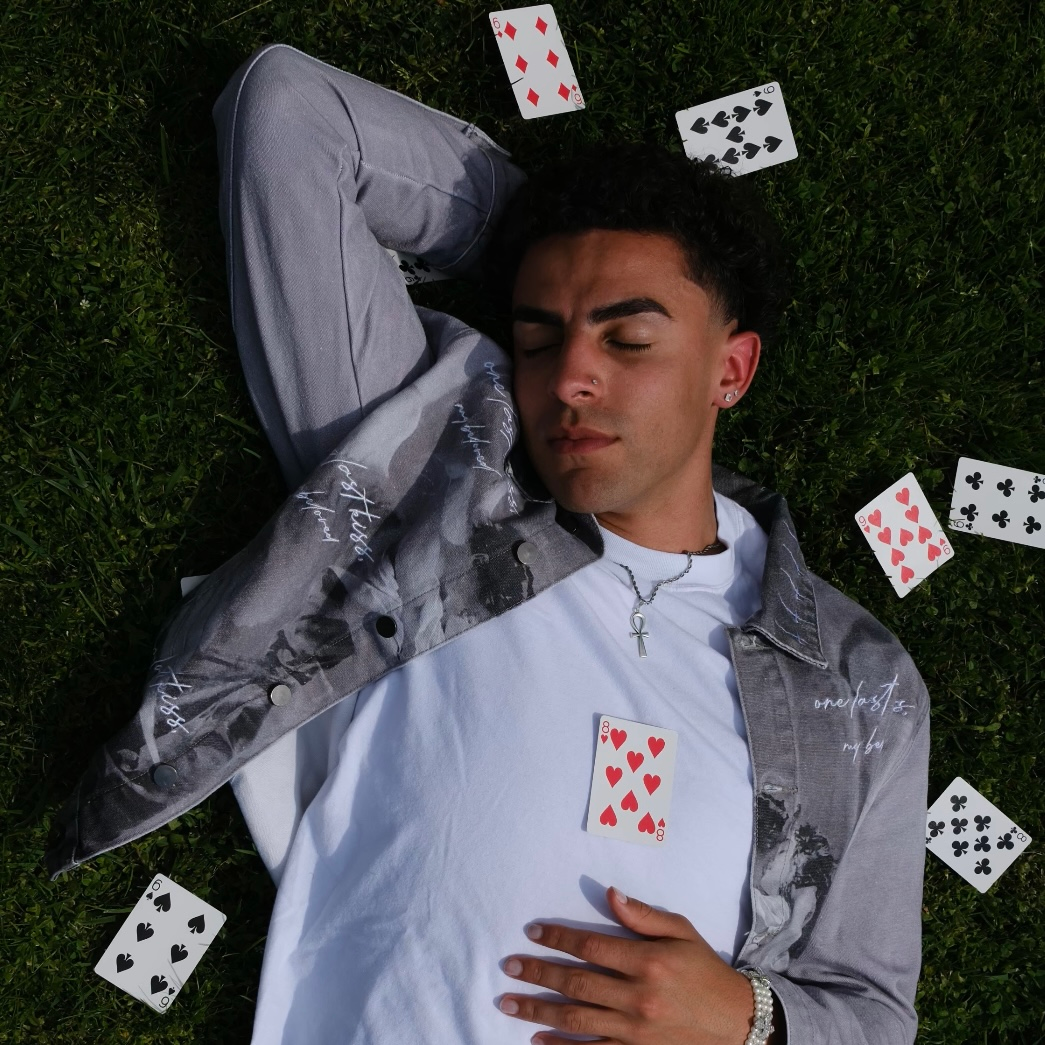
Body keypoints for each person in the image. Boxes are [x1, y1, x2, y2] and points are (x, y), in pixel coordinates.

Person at [47, 42, 930, 1045]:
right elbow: (288, 116)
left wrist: (748, 1017)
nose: (569, 379)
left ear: (730, 369)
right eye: (538, 338)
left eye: (627, 338)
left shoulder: (856, 676)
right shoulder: (429, 481)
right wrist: (540, 228)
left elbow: (872, 1008)